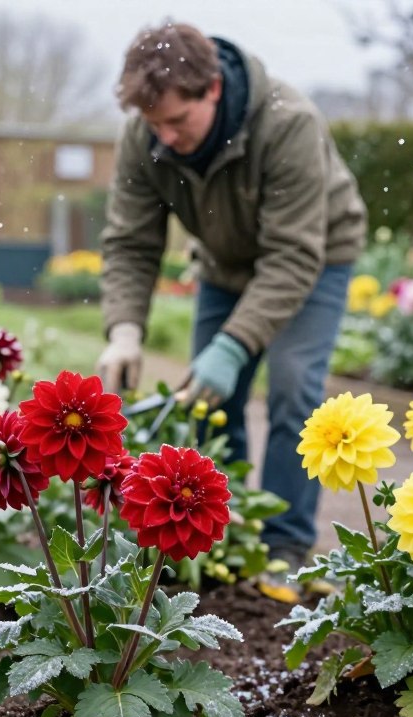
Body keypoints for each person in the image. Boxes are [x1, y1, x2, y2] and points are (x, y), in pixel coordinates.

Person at [96, 21, 367, 581]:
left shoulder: (288, 122)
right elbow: (131, 242)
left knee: (295, 388)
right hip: (224, 263)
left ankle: (283, 545)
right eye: (153, 124)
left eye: (177, 121)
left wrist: (236, 343)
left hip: (314, 258)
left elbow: (293, 255)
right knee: (209, 403)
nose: (165, 136)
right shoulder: (143, 137)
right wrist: (124, 329)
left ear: (212, 88)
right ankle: (218, 538)